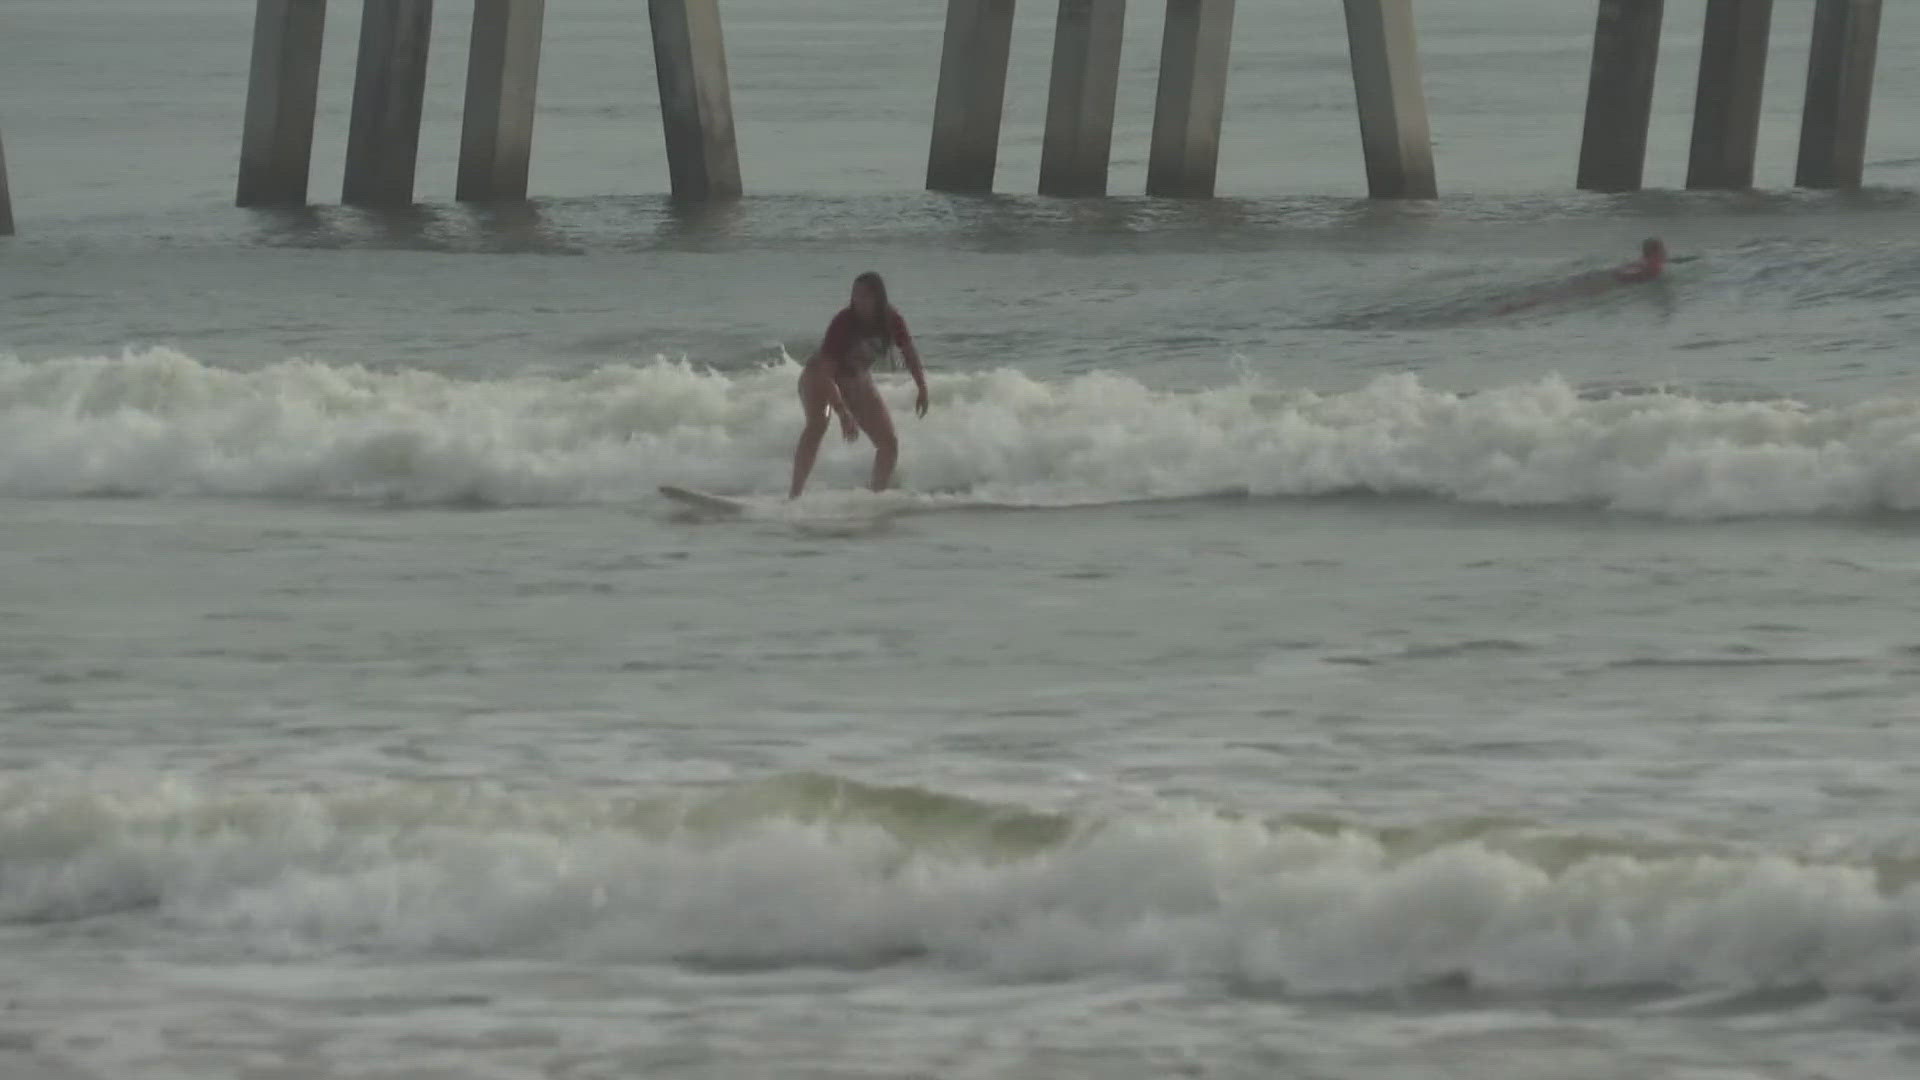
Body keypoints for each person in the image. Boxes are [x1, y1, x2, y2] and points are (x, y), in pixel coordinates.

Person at [789, 272, 930, 499]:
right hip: (819, 378)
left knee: (888, 443)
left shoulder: (891, 320)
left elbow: (909, 352)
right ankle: (794, 496)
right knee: (818, 424)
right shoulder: (843, 322)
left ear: (878, 298)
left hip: (856, 379)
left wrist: (922, 386)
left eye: (865, 296)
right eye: (855, 295)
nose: (858, 301)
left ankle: (875, 498)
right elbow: (826, 374)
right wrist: (842, 412)